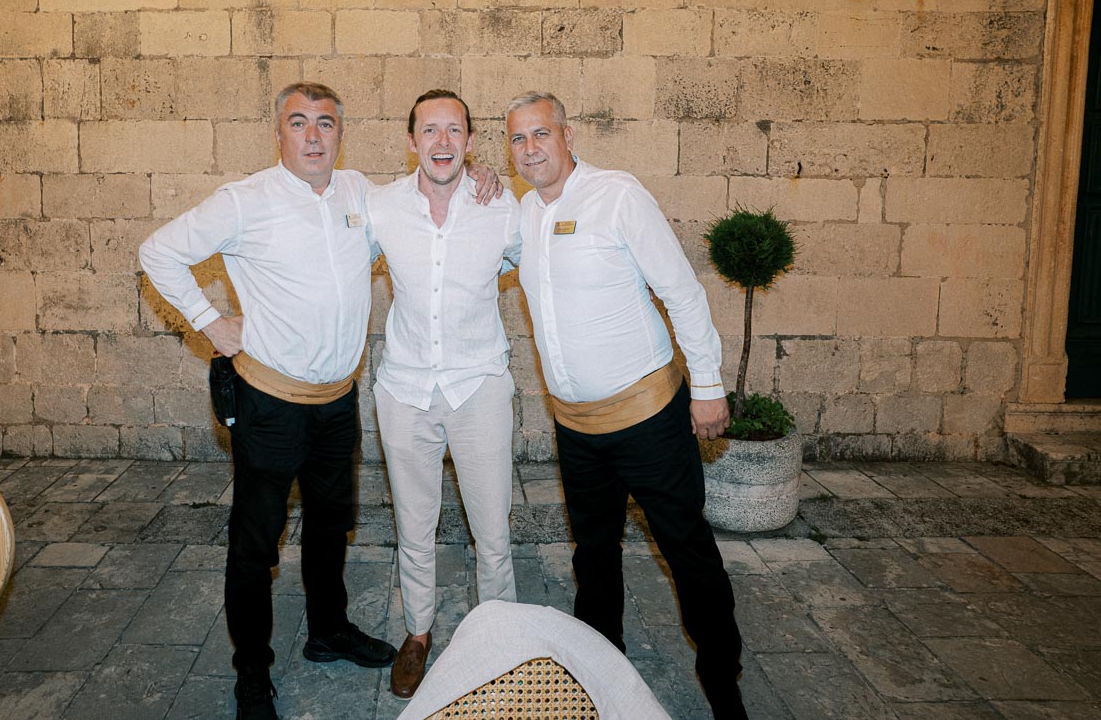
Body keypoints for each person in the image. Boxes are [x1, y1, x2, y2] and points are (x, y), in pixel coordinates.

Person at [138, 82, 499, 720]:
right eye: (299, 123)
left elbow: (427, 195)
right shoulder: (244, 202)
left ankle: (328, 630)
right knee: (256, 542)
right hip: (271, 403)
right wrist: (210, 322)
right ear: (279, 132)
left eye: (325, 124)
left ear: (340, 134)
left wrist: (480, 178)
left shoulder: (361, 193)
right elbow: (158, 252)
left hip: (338, 402)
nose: (312, 136)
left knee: (333, 524)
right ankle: (252, 670)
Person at [504, 91, 748, 720]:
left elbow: (681, 291)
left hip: (648, 420)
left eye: (541, 135)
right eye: (517, 140)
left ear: (569, 134)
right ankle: (598, 676)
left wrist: (708, 385)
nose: (530, 149)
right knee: (593, 554)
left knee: (686, 548)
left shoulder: (618, 195)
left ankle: (724, 685)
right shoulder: (524, 213)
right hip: (577, 429)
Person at [366, 90, 521, 699]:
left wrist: (494, 180)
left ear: (470, 143)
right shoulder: (379, 207)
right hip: (404, 390)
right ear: (411, 141)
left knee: (494, 527)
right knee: (414, 523)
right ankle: (418, 633)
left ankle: (502, 639)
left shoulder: (500, 206)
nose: (442, 142)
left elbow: (532, 263)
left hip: (478, 386)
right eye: (429, 130)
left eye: (454, 131)